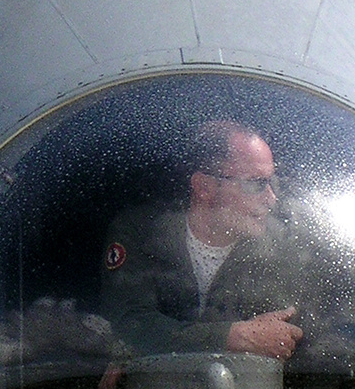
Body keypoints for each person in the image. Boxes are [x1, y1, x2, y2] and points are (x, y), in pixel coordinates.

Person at [100, 120, 303, 362]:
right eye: (256, 184)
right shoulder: (139, 232)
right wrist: (234, 337)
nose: (271, 199)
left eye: (272, 182)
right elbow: (128, 326)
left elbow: (302, 339)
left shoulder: (284, 248)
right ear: (204, 187)